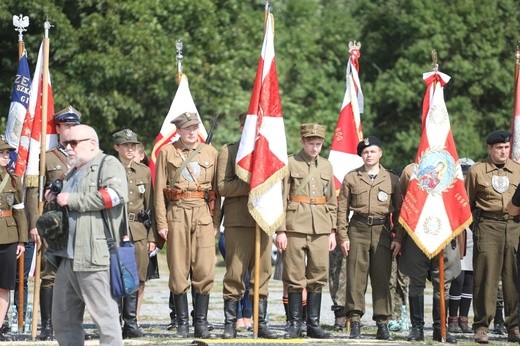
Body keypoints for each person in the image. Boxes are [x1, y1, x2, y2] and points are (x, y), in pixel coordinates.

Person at [50, 124, 127, 345]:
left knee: (105, 318)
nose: (68, 148)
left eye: (73, 143)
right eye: (65, 143)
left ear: (92, 144)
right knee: (63, 319)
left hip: (93, 255)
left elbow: (114, 195)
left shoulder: (107, 164)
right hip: (67, 256)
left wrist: (72, 199)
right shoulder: (72, 170)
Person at [154, 111, 221, 339]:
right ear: (179, 131)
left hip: (202, 213)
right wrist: (162, 222)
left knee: (204, 268)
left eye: (194, 128)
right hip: (177, 212)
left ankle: (200, 322)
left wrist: (215, 221)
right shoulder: (167, 152)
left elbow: (217, 193)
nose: (191, 132)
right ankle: (182, 323)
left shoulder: (211, 152)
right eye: (187, 128)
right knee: (179, 268)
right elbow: (159, 191)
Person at [336, 136, 404, 340]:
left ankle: (382, 323)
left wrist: (398, 238)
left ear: (380, 153)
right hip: (358, 228)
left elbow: (400, 211)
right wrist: (342, 236)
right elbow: (341, 210)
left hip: (383, 230)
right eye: (365, 152)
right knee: (355, 277)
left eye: (373, 151)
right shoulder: (351, 178)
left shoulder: (391, 179)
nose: (369, 155)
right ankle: (355, 320)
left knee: (383, 278)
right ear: (361, 155)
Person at [275, 123, 337, 339]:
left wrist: (332, 231)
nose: (315, 148)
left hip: (320, 226)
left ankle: (313, 324)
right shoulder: (290, 163)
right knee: (293, 275)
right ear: (303, 142)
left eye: (318, 144)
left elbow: (331, 201)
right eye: (311, 143)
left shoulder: (327, 166)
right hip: (294, 225)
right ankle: (293, 323)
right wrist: (280, 230)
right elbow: (282, 197)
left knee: (318, 274)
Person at [24, 105, 80, 340]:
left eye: (73, 125)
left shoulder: (86, 155)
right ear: (57, 128)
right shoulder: (46, 157)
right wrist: (35, 223)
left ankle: (74, 325)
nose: (69, 129)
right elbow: (32, 191)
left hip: (79, 221)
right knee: (49, 274)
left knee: (79, 273)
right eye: (65, 125)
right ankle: (47, 325)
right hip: (54, 223)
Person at [217, 112, 275, 339]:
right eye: (248, 126)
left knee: (263, 273)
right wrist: (253, 185)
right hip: (238, 221)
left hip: (264, 219)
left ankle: (260, 322)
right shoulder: (230, 151)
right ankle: (230, 323)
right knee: (235, 273)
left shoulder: (271, 153)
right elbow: (223, 187)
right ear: (242, 128)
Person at [466, 130, 520, 343]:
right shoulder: (477, 171)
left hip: (514, 227)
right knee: (485, 278)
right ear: (490, 148)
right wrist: (477, 229)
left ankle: (514, 326)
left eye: (506, 147)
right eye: (499, 148)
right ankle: (481, 326)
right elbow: (466, 205)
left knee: (513, 278)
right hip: (488, 225)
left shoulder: (517, 170)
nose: (503, 151)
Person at [399, 161, 461, 343]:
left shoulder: (453, 169)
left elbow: (458, 201)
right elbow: (406, 198)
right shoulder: (410, 170)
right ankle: (417, 328)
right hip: (417, 232)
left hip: (444, 233)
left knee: (443, 282)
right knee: (416, 280)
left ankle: (440, 327)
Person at [112, 129, 157, 338]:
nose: (130, 149)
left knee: (136, 277)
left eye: (133, 146)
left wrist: (151, 236)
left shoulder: (144, 172)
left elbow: (151, 206)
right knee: (114, 277)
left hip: (138, 230)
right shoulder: (108, 169)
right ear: (117, 148)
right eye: (126, 145)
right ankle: (113, 322)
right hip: (114, 229)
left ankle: (130, 322)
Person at [0, 136, 27, 342]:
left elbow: (19, 211)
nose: (6, 156)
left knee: (5, 285)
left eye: (7, 153)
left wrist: (22, 241)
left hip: (9, 237)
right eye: (1, 153)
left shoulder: (14, 180)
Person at [448, 157, 475, 334]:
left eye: (467, 172)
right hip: (456, 234)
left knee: (469, 279)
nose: (465, 176)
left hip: (473, 234)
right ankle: (453, 319)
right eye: (462, 172)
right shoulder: (451, 189)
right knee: (457, 278)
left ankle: (464, 318)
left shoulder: (476, 188)